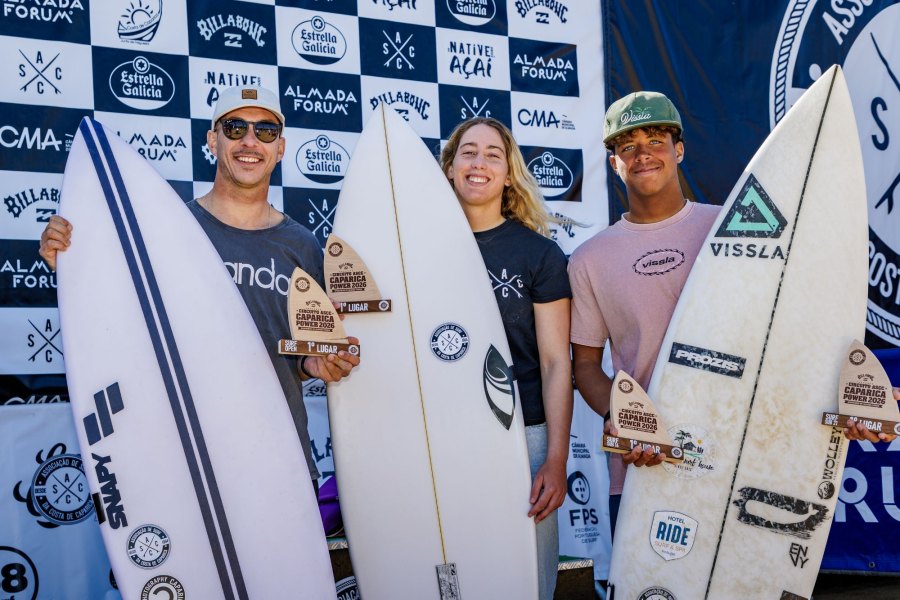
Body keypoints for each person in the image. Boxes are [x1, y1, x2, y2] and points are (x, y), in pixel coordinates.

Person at [569, 90, 897, 545]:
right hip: (651, 463)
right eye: (628, 146)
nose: (643, 154)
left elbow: (791, 332)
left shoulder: (733, 228)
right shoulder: (589, 259)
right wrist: (623, 417)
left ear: (679, 151)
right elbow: (585, 365)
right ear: (614, 163)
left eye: (656, 140)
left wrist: (846, 396)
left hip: (751, 459)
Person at [39, 85, 360, 491]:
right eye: (235, 127)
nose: (250, 141)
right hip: (183, 465)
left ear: (280, 148)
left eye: (265, 132)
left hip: (279, 465)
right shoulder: (166, 230)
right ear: (212, 140)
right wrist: (73, 268)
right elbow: (120, 322)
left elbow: (301, 350)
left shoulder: (303, 245)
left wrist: (312, 364)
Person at [439, 117, 573, 600]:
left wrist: (555, 459)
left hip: (524, 437)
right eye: (468, 152)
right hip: (442, 436)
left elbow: (556, 363)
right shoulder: (416, 248)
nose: (479, 163)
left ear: (509, 173)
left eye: (493, 154)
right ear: (450, 167)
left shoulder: (539, 255)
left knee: (525, 580)